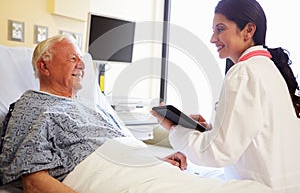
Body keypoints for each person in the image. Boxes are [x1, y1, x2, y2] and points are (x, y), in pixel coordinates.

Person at [0, 34, 273, 193]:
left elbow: (121, 146)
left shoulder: (88, 107)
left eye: (81, 58)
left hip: (141, 169)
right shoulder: (33, 106)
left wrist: (154, 159)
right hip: (102, 174)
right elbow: (34, 180)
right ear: (44, 67)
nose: (82, 64)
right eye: (72, 58)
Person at [151, 0, 300, 193]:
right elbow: (253, 135)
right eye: (213, 30)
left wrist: (174, 129)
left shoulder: (243, 72)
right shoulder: (266, 68)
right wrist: (214, 130)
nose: (213, 39)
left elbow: (219, 152)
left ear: (248, 30)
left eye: (220, 29)